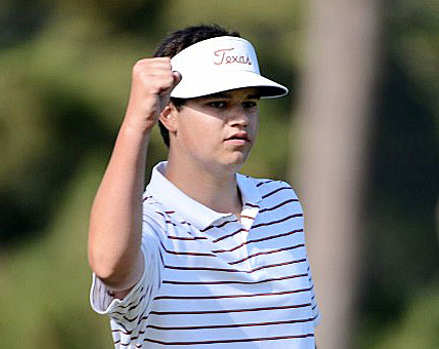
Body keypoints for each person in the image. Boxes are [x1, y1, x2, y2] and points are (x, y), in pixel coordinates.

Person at [88, 24, 320, 348]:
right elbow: (109, 264)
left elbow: (299, 335)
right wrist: (136, 123)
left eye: (249, 104)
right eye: (219, 104)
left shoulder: (281, 204)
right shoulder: (153, 226)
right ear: (168, 114)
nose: (240, 118)